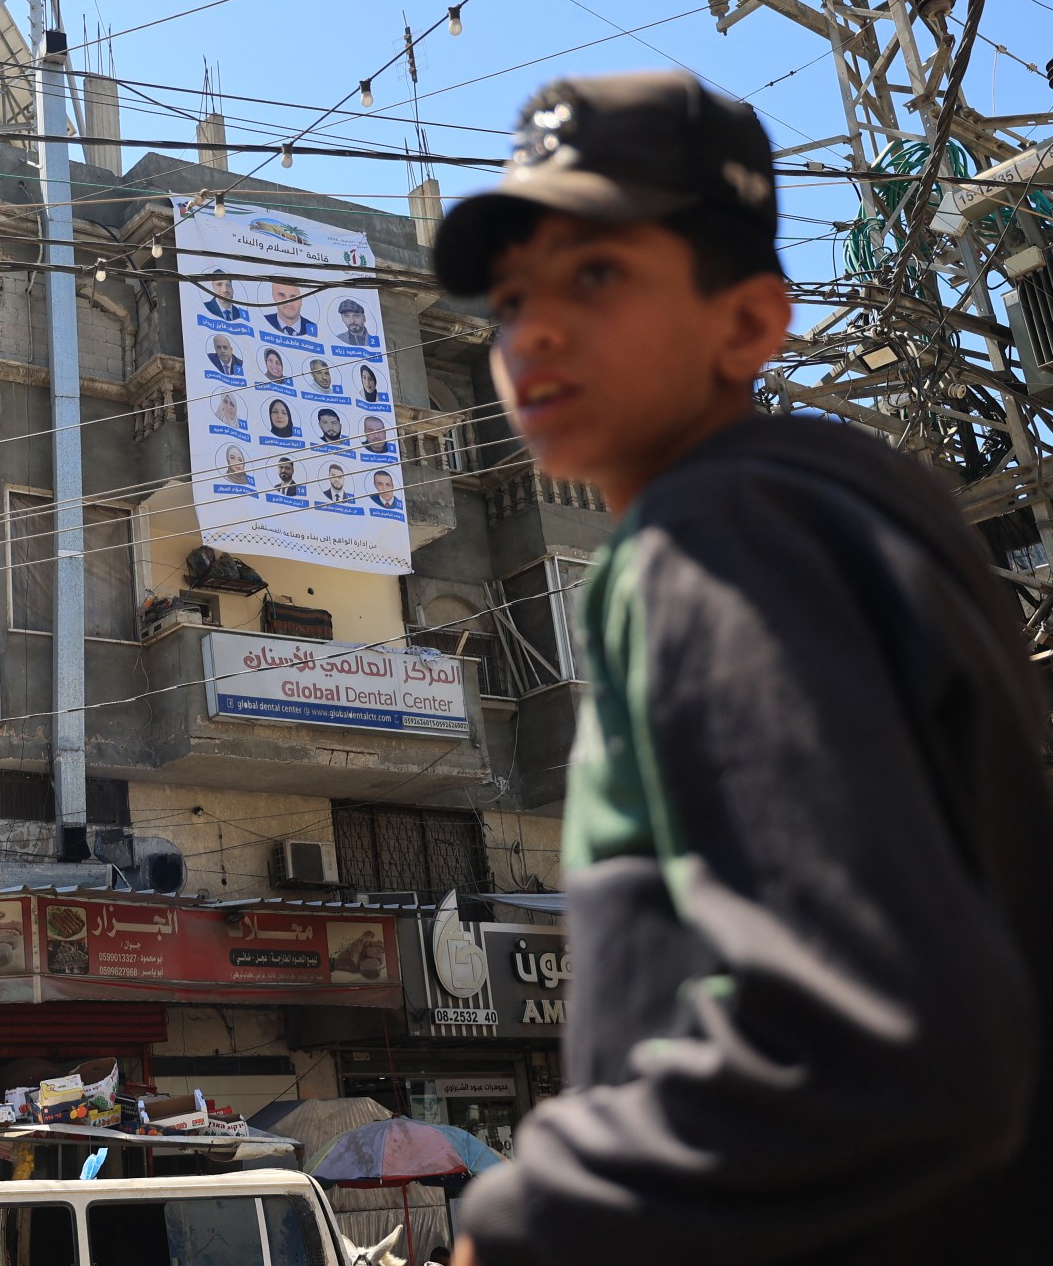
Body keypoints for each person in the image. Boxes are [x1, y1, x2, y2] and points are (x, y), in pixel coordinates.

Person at [435, 69, 1053, 1263]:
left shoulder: (716, 533)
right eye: (509, 299)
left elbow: (872, 1032)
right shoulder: (851, 509)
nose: (533, 332)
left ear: (752, 324)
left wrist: (523, 1224)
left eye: (595, 274)